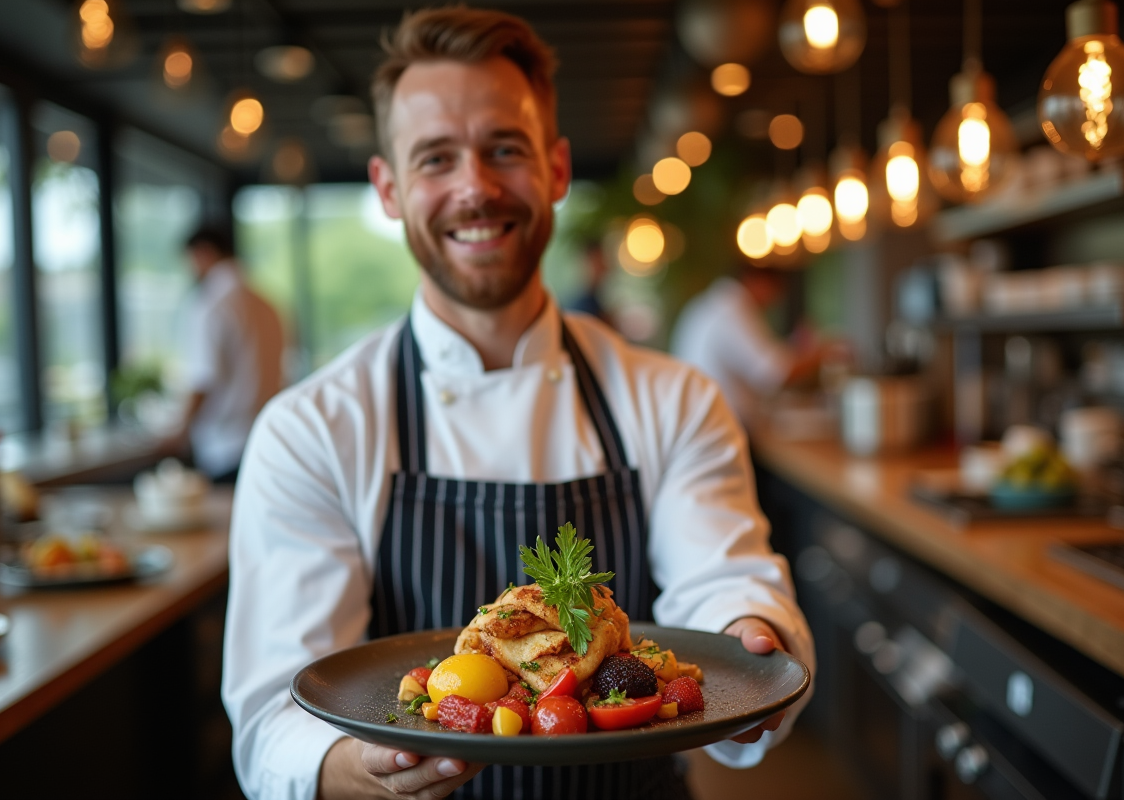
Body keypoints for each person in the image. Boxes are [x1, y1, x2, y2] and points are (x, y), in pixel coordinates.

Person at [221, 8, 814, 800]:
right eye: (436, 158)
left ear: (557, 169)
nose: (476, 187)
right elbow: (275, 718)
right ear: (389, 188)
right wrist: (364, 771)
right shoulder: (312, 429)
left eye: (505, 148)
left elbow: (724, 585)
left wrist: (751, 635)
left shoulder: (673, 399)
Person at [169, 225, 284, 483]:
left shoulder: (210, 305)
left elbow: (203, 379)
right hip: (267, 439)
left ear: (204, 253)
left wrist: (179, 431)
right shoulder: (267, 303)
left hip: (225, 446)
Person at [671, 267, 821, 426]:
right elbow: (775, 373)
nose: (775, 301)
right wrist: (822, 354)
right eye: (776, 291)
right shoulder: (733, 309)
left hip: (700, 419)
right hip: (719, 425)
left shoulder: (713, 303)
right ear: (758, 281)